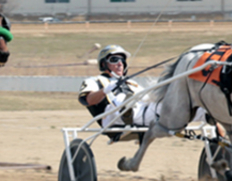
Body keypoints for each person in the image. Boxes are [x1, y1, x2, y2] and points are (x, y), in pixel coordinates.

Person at [79, 44, 218, 138]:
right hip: (112, 119)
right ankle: (127, 111)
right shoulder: (94, 81)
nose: (120, 63)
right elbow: (89, 100)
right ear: (104, 64)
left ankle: (211, 115)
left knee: (175, 107)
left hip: (142, 112)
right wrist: (106, 90)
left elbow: (146, 100)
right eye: (114, 60)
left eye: (122, 60)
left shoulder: (131, 83)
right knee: (121, 99)